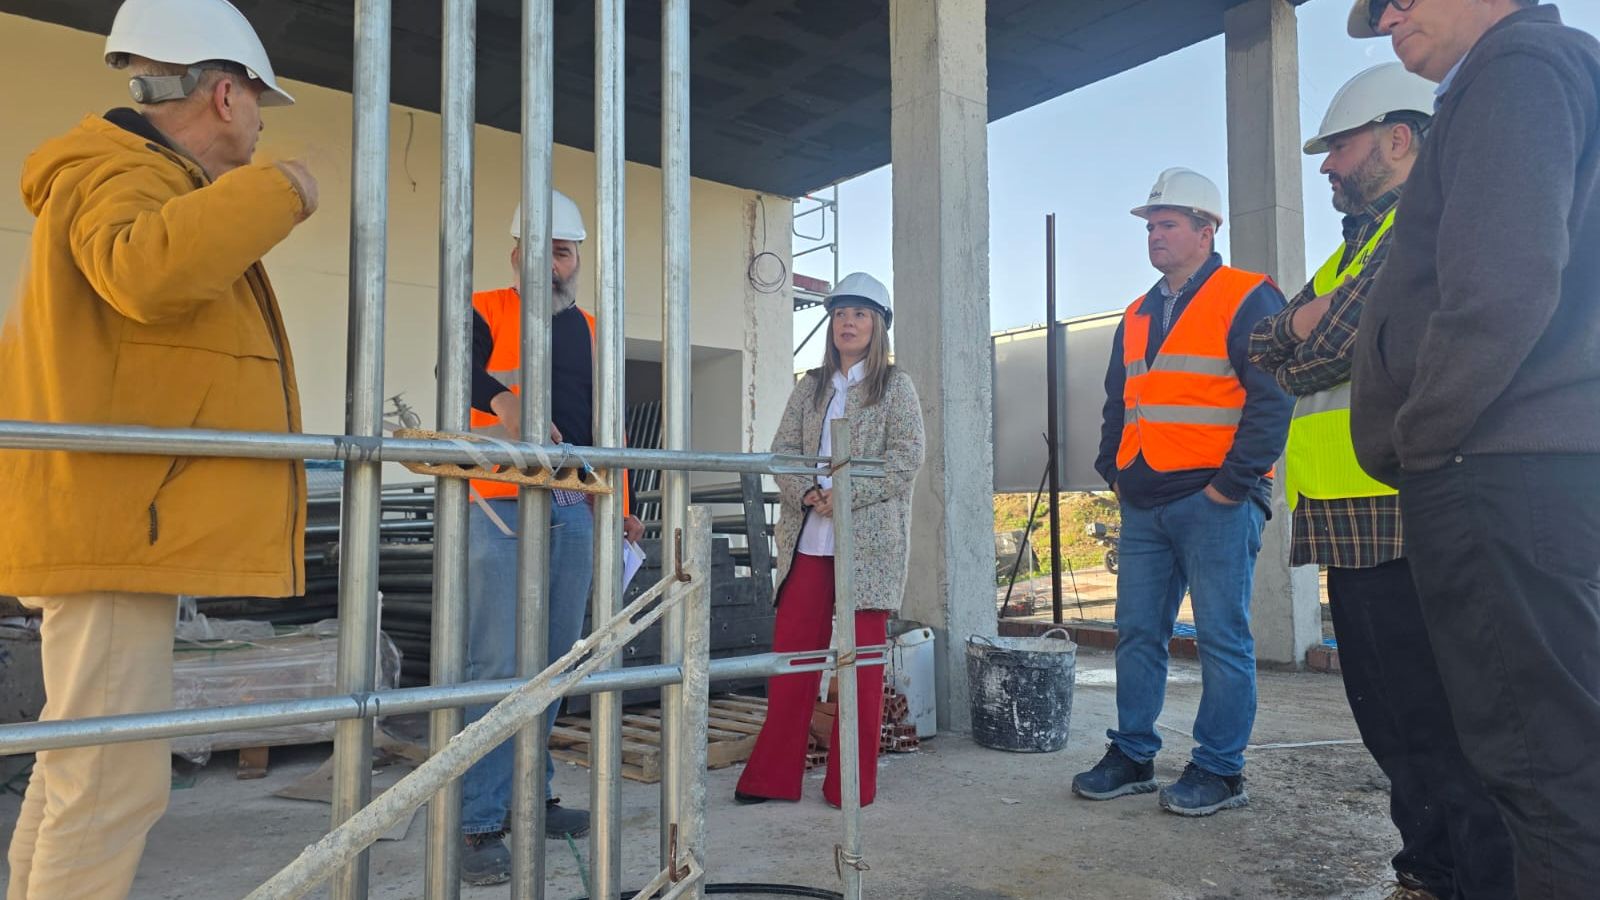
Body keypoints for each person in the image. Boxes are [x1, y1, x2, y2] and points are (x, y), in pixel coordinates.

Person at [0, 0, 317, 896]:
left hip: (113, 519)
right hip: (108, 525)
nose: (261, 125)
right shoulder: (120, 170)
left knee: (80, 765)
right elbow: (144, 270)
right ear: (224, 94)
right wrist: (281, 191)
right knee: (113, 780)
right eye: (259, 101)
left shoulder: (138, 175)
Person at [1347, 1, 1600, 895]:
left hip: (1493, 466)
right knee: (1546, 750)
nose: (1387, 18)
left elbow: (1502, 281)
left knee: (1540, 765)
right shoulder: (1534, 73)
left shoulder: (1514, 67)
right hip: (1508, 464)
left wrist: (1424, 434)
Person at [1248, 62, 1513, 900]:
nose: (1327, 165)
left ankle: (1476, 880)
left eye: (1340, 146)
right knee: (1391, 721)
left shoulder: (1422, 226)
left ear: (1399, 139)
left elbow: (1324, 350)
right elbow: (1262, 346)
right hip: (1346, 517)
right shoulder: (1352, 253)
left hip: (1406, 509)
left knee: (1440, 722)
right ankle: (1427, 871)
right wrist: (1301, 330)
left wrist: (1303, 335)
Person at [1073, 168, 1292, 817]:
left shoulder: (1248, 296)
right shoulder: (1137, 313)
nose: (1155, 235)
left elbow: (1273, 396)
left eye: (1167, 224)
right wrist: (1113, 469)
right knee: (1137, 633)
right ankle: (1133, 754)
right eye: (1150, 226)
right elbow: (1119, 399)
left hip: (1214, 499)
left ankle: (1221, 770)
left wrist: (1232, 485)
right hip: (1145, 498)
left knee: (1222, 638)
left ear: (1206, 229)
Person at [456, 189, 642, 885]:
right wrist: (503, 401)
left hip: (574, 503)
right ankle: (477, 822)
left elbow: (607, 430)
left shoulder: (592, 329)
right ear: (516, 257)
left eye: (562, 254)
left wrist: (619, 505)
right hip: (500, 503)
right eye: (540, 252)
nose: (552, 265)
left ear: (576, 262)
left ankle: (530, 797)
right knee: (496, 662)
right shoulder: (484, 309)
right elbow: (456, 367)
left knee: (555, 660)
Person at [734, 272, 924, 808]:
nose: (848, 323)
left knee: (861, 668)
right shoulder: (810, 385)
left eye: (860, 314)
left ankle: (850, 785)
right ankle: (773, 777)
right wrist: (807, 493)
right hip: (809, 542)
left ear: (879, 325)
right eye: (840, 313)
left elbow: (906, 458)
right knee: (793, 661)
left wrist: (843, 494)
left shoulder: (896, 386)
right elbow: (783, 451)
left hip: (869, 546)